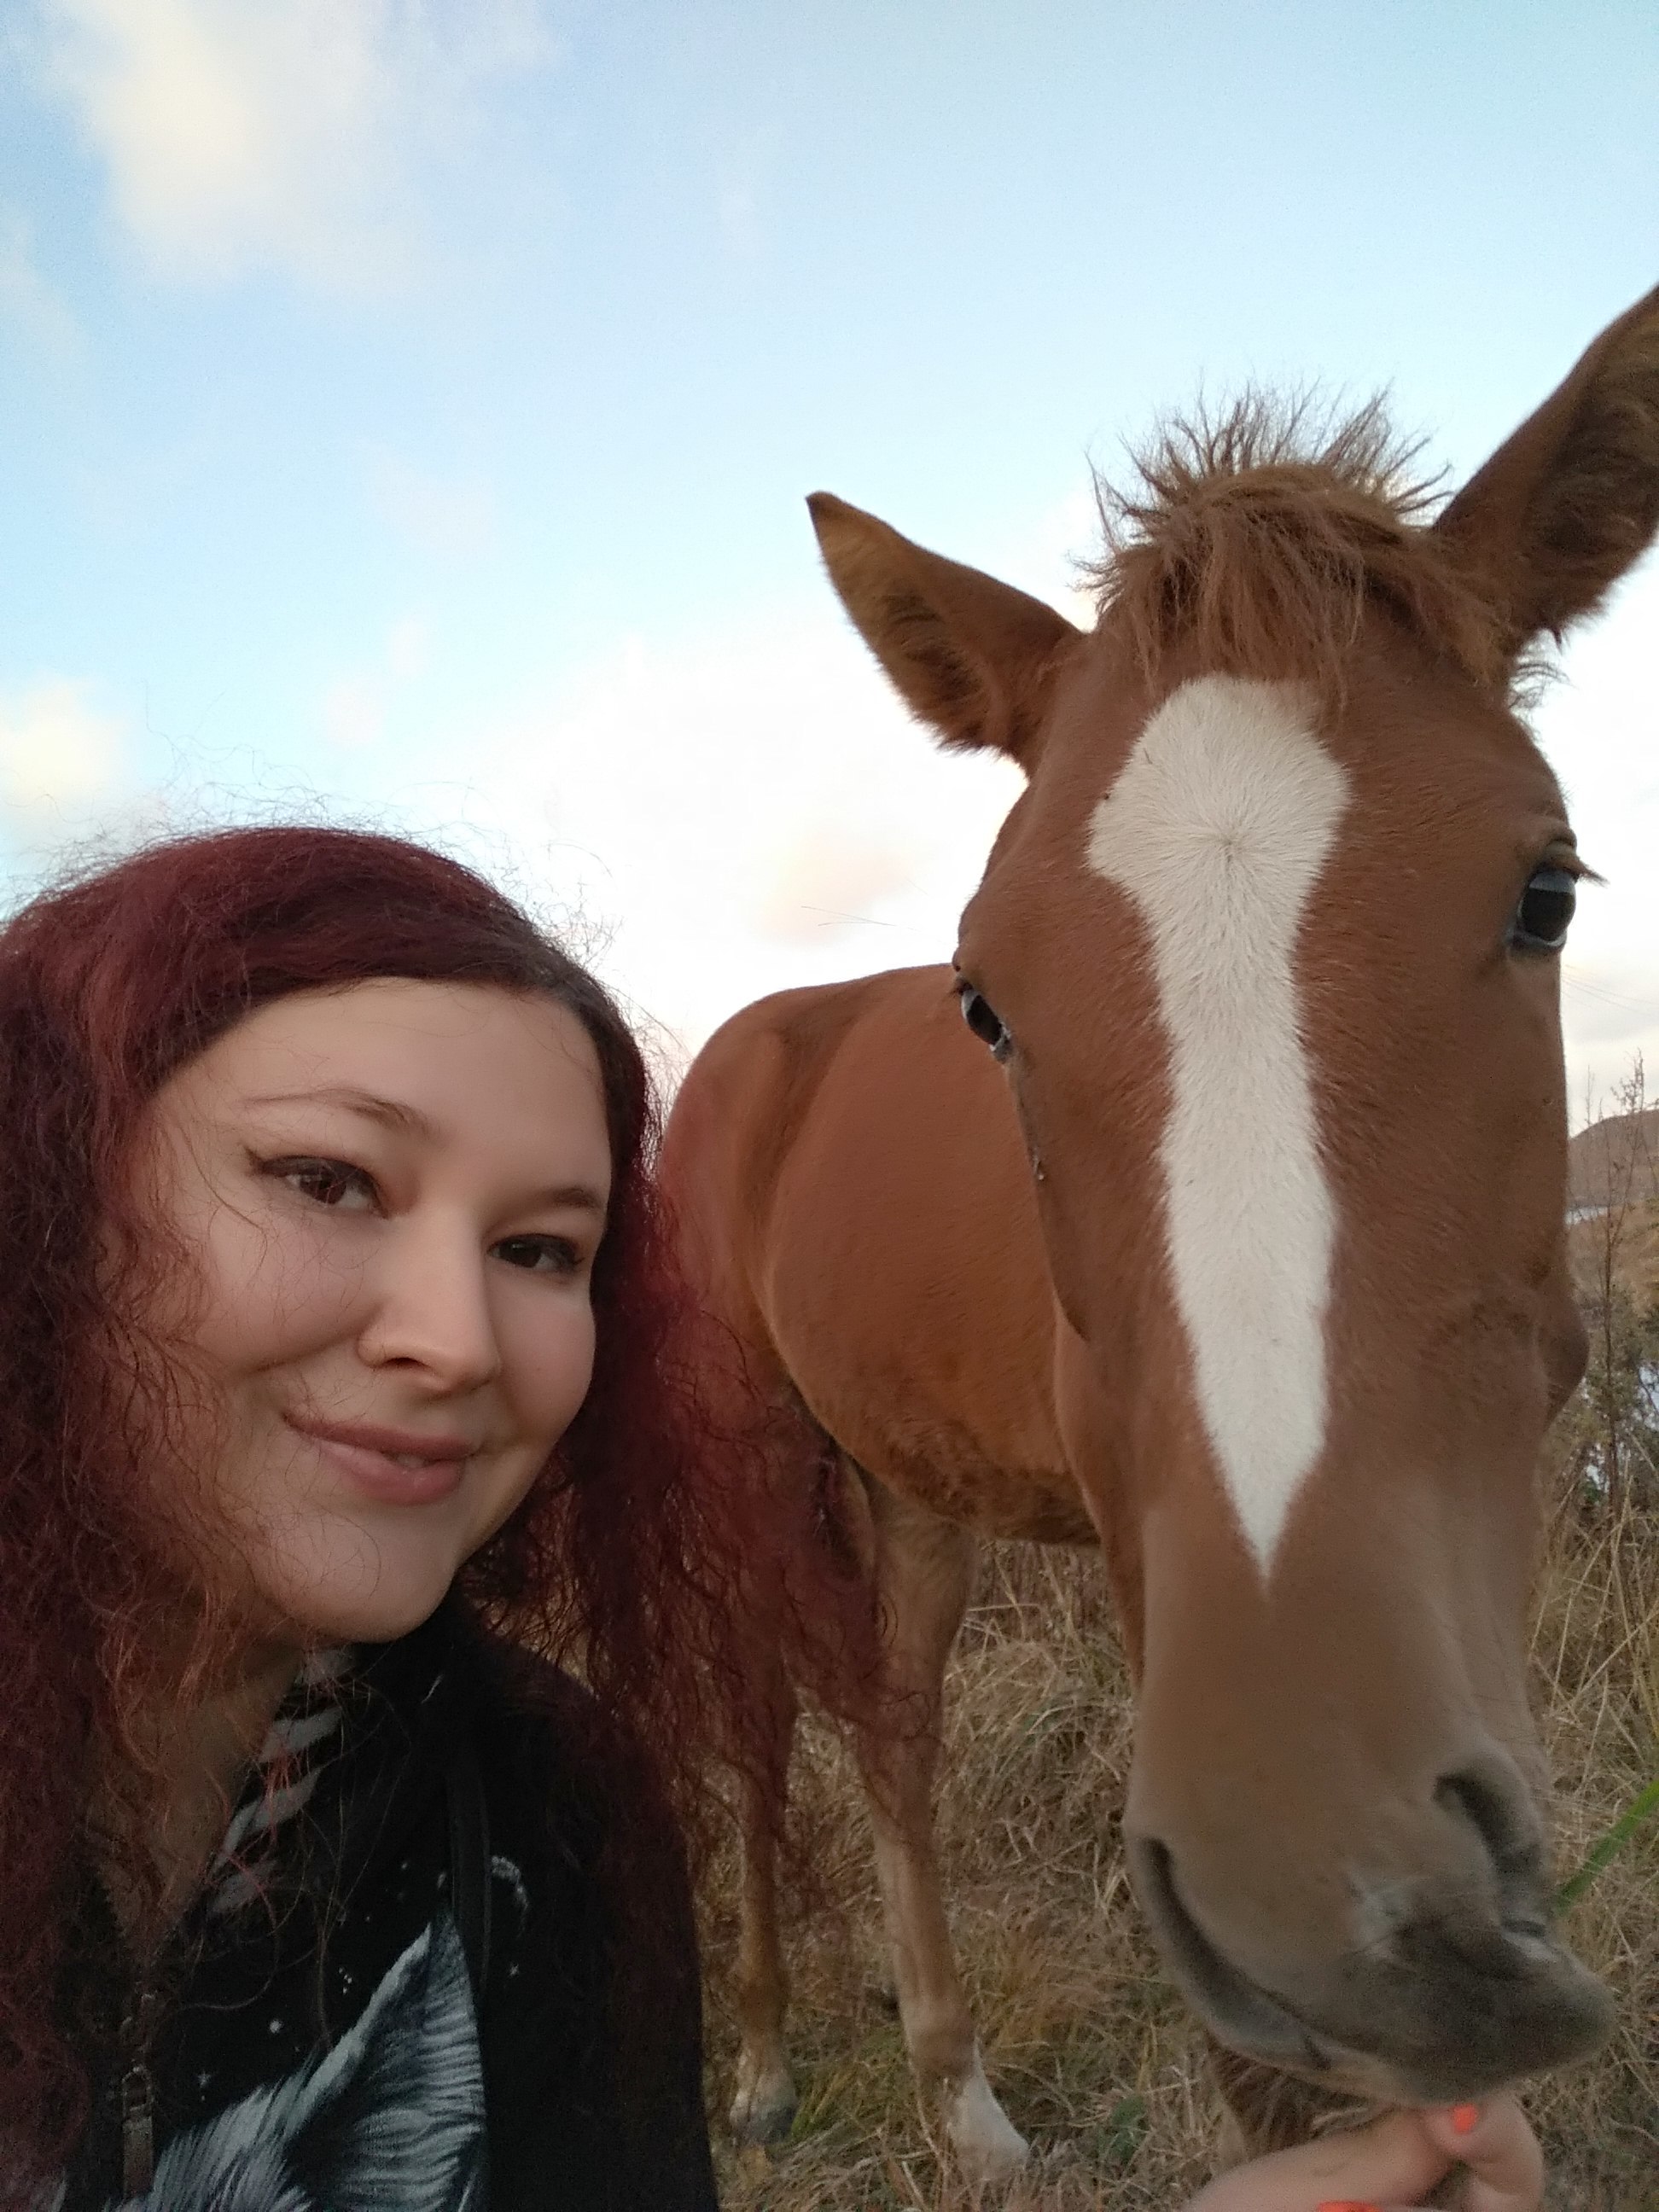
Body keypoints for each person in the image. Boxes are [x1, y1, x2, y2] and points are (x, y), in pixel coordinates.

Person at [0, 824, 1549, 2212]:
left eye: (544, 1250)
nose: (459, 1340)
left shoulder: (560, 1826)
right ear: (50, 1178)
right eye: (326, 1179)